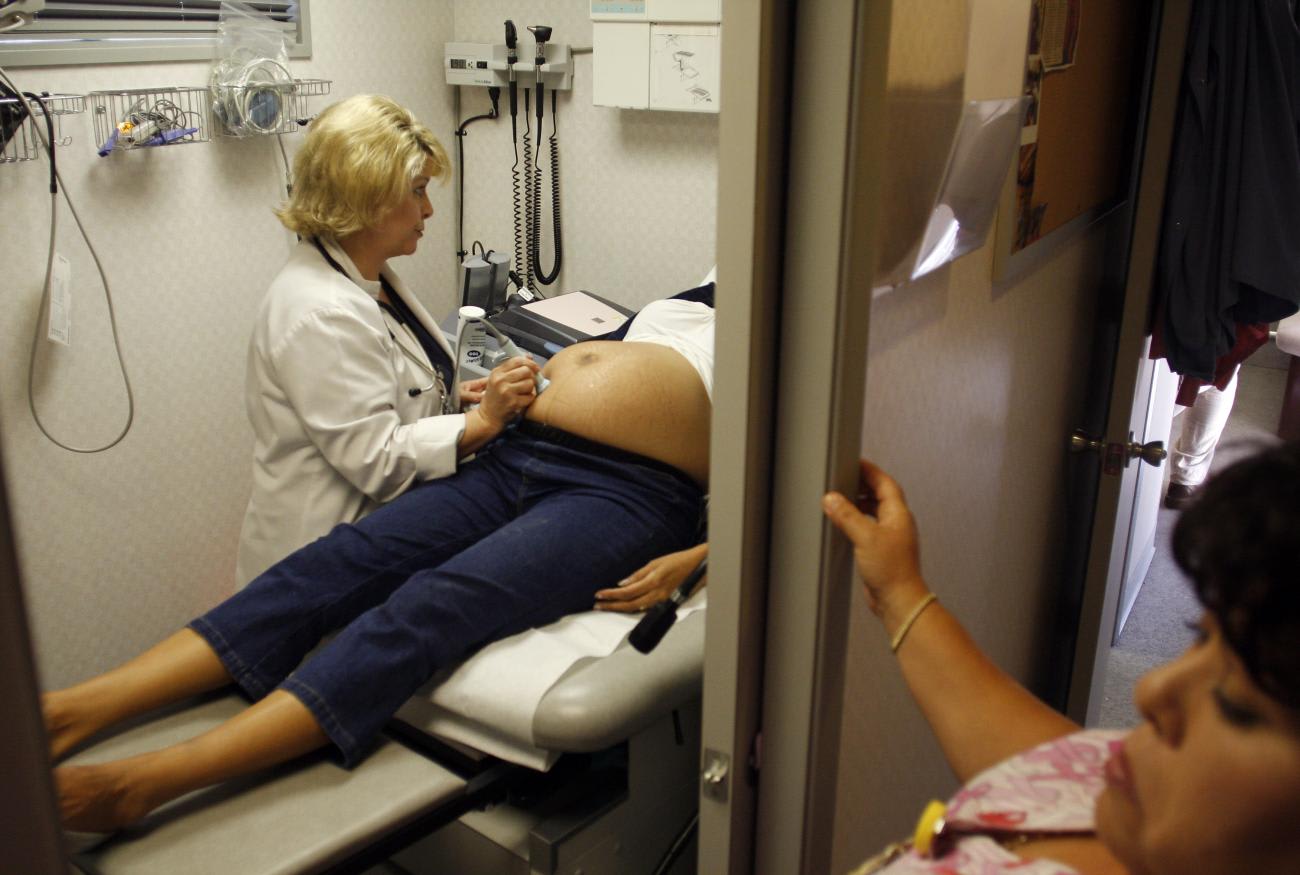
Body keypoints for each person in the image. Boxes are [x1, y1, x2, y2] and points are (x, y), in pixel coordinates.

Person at [45, 297, 714, 843]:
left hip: (632, 490)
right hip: (520, 444)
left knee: (430, 605)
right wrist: (522, 381)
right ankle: (71, 710)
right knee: (341, 558)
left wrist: (710, 551)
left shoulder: (793, 320)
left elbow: (803, 470)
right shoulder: (690, 298)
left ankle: (145, 783)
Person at [822, 442, 1300, 874]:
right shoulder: (1124, 787)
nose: (1150, 690)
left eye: (1238, 705)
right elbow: (1039, 768)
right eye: (1201, 638)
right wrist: (899, 591)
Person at [238, 94, 541, 586]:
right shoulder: (321, 311)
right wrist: (483, 421)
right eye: (418, 190)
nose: (429, 209)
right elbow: (377, 459)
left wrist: (449, 398)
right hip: (322, 560)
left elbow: (385, 393)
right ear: (367, 195)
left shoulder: (367, 280)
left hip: (374, 535)